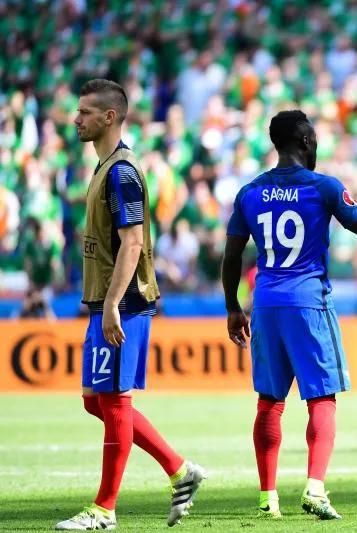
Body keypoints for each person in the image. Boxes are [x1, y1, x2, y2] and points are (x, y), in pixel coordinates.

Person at [221, 109, 357, 520]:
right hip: (308, 303)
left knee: (269, 403)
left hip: (265, 303)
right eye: (313, 140)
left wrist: (232, 306)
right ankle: (315, 489)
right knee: (322, 398)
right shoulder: (323, 187)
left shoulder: (250, 191)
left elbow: (231, 255)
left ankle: (268, 499)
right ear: (303, 142)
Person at [57, 79, 205, 531]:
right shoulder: (105, 167)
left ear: (109, 117)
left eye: (84, 112)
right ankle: (181, 470)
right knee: (95, 402)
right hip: (104, 299)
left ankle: (104, 509)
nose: (76, 119)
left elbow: (134, 240)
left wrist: (115, 304)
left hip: (124, 301)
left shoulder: (122, 173)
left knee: (116, 401)